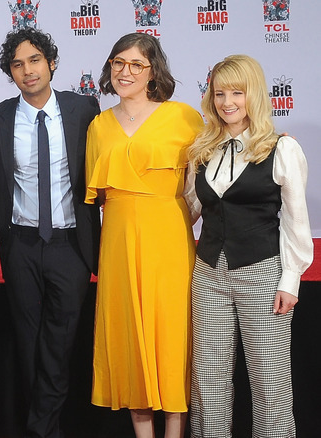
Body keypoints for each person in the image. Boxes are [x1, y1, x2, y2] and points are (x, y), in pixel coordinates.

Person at [0, 28, 100, 438]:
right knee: (29, 341)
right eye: (17, 64)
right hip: (21, 245)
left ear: (51, 63)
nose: (27, 70)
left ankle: (41, 430)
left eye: (34, 60)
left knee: (60, 344)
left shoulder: (85, 109)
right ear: (9, 72)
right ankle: (44, 430)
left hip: (70, 245)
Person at [186, 54, 313, 438]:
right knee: (207, 384)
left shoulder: (282, 149)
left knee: (270, 383)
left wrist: (290, 279)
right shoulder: (201, 148)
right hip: (207, 274)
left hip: (262, 274)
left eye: (237, 93)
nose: (227, 103)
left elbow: (295, 219)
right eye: (219, 93)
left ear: (253, 94)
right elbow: (190, 208)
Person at [84, 32, 203, 438]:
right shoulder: (98, 125)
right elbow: (96, 197)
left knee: (170, 336)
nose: (125, 72)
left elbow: (205, 184)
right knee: (129, 336)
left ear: (154, 71)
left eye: (137, 64)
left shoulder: (185, 117)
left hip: (168, 238)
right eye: (118, 63)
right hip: (117, 240)